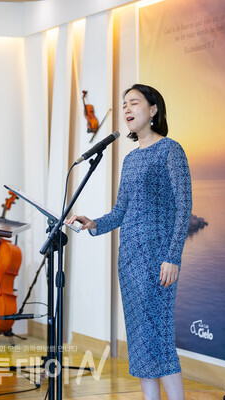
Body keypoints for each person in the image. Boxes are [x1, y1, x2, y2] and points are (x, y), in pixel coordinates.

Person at [66, 84, 192, 400]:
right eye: (124, 105)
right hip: (130, 262)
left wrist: (173, 256)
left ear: (153, 109)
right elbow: (121, 211)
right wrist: (93, 223)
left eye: (134, 102)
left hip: (158, 261)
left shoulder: (171, 150)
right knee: (139, 340)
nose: (127, 109)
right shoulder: (131, 159)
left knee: (159, 338)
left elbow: (184, 206)